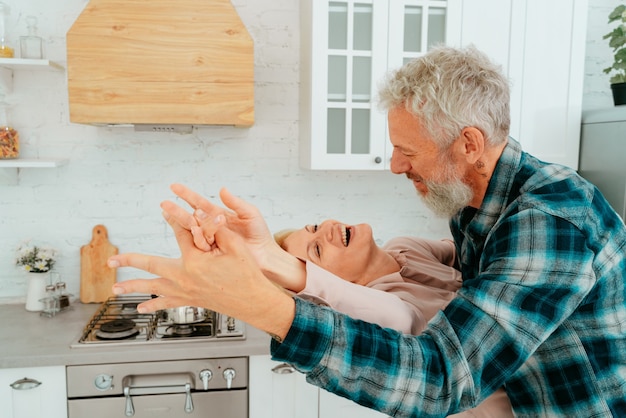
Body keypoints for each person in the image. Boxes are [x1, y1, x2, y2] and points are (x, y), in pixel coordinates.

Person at [108, 45, 626, 417]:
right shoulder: (477, 205)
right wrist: (270, 258)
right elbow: (474, 281)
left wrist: (256, 301)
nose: (396, 165)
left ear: (468, 143)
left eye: (409, 150)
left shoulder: (548, 219)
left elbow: (442, 378)